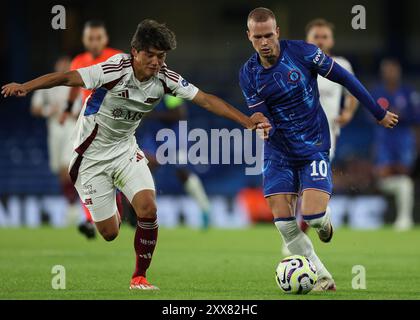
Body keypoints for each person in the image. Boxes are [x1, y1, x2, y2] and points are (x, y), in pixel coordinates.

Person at [2, 19, 270, 290]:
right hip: (90, 158)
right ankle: (116, 200)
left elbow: (206, 99)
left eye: (161, 56)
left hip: (125, 149)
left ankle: (139, 277)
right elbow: (67, 77)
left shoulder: (166, 78)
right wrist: (26, 86)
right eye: (150, 55)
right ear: (135, 52)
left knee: (148, 208)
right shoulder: (114, 69)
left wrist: (247, 121)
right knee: (109, 233)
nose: (156, 62)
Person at [239, 7, 398, 291]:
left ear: (277, 32)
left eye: (268, 35)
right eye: (257, 37)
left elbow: (346, 79)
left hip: (313, 146)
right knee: (284, 223)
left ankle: (324, 224)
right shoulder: (248, 73)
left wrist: (377, 111)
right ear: (249, 37)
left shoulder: (303, 53)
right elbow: (261, 112)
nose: (264, 42)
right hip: (278, 152)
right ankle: (323, 277)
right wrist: (264, 126)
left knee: (312, 216)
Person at [280, 18, 360, 256]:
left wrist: (347, 112)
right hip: (295, 135)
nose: (321, 40)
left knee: (307, 187)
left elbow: (353, 91)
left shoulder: (341, 64)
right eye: (316, 36)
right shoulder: (295, 64)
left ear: (332, 40)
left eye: (325, 36)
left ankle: (301, 233)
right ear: (308, 40)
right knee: (294, 187)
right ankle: (309, 226)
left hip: (325, 140)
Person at [62, 20, 122, 239]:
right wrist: (67, 109)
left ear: (105, 39)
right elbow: (72, 88)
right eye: (90, 38)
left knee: (111, 172)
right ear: (84, 39)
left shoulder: (117, 58)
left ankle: (114, 212)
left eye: (98, 38)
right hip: (88, 127)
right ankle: (90, 219)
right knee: (81, 173)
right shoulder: (78, 61)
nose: (94, 42)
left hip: (115, 124)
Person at [139, 95, 211, 229]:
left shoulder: (169, 92)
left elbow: (180, 114)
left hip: (174, 136)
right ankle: (144, 212)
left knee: (182, 172)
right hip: (154, 135)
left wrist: (152, 114)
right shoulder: (144, 89)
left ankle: (205, 209)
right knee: (146, 168)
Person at [31, 56, 81, 222]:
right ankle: (71, 204)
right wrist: (48, 110)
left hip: (71, 126)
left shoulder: (77, 82)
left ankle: (74, 206)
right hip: (54, 127)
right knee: (60, 170)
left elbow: (84, 106)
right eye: (61, 65)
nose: (64, 67)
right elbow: (35, 108)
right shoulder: (48, 85)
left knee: (68, 167)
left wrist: (74, 113)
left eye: (67, 65)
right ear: (56, 66)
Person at [372, 59, 419, 231]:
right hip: (384, 141)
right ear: (382, 73)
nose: (390, 73)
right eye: (387, 70)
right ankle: (396, 215)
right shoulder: (377, 92)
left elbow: (416, 120)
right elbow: (370, 117)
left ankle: (404, 218)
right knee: (385, 177)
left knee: (404, 176)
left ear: (398, 71)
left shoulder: (408, 92)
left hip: (404, 142)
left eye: (393, 70)